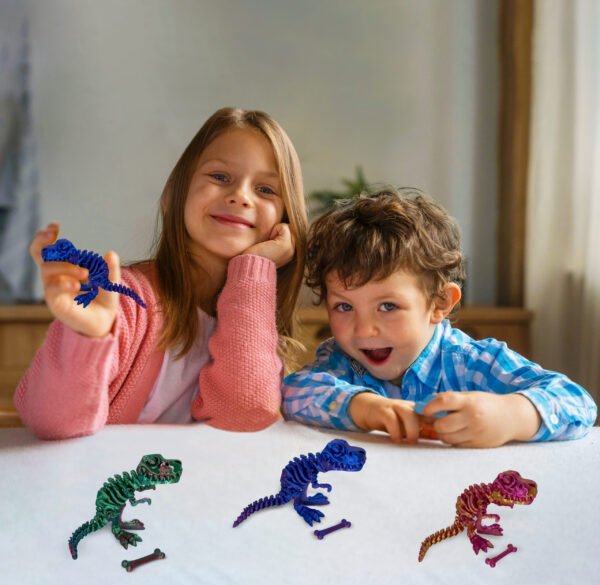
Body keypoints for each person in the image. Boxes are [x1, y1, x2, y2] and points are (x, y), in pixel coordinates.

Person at [16, 107, 308, 440]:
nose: (240, 196)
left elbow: (245, 414)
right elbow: (50, 422)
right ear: (174, 195)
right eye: (220, 177)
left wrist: (254, 269)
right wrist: (86, 337)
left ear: (285, 222)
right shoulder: (124, 301)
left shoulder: (255, 324)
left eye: (266, 190)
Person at [282, 187, 596, 448]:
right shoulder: (342, 361)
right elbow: (294, 392)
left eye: (388, 306)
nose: (364, 331)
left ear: (440, 303)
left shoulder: (473, 362)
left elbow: (577, 402)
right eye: (344, 307)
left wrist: (512, 416)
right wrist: (363, 407)